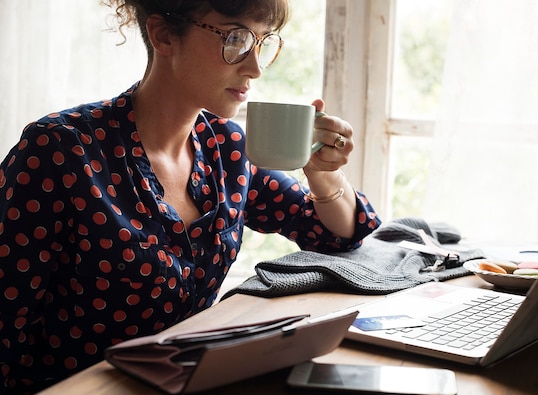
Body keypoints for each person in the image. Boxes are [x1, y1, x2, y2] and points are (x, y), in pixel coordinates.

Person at [0, 0, 381, 393]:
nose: (255, 67)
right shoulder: (61, 149)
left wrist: (323, 173)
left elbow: (335, 232)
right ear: (164, 35)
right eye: (236, 39)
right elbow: (6, 320)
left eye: (264, 43)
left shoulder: (226, 147)